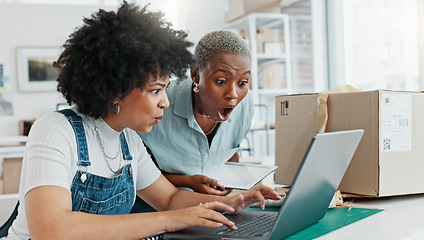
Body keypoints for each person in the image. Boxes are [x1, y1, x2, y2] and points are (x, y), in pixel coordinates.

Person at [1, 2, 281, 240]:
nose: (166, 102)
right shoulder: (56, 130)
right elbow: (50, 230)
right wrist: (170, 220)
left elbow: (170, 199)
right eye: (156, 90)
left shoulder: (129, 143)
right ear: (117, 90)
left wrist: (229, 202)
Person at [137, 29, 253, 201]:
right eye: (221, 81)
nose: (233, 94)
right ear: (195, 74)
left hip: (215, 204)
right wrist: (188, 181)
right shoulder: (158, 103)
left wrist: (234, 186)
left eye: (242, 82)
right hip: (153, 204)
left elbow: (229, 154)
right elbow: (136, 173)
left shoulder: (245, 105)